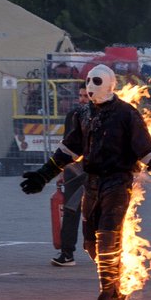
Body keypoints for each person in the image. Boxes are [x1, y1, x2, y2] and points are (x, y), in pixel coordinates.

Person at [20, 64, 151, 300]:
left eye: (95, 81)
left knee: (107, 240)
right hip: (91, 183)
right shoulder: (84, 114)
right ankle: (116, 283)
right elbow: (68, 149)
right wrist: (42, 175)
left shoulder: (126, 114)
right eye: (88, 82)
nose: (89, 87)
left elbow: (146, 148)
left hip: (118, 183)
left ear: (108, 84)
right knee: (91, 245)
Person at [52, 86, 90, 267]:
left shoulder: (109, 116)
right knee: (70, 210)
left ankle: (105, 253)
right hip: (75, 171)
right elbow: (66, 146)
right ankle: (67, 254)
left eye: (87, 96)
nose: (83, 99)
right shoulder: (73, 116)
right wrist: (62, 170)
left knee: (99, 212)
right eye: (81, 95)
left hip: (98, 171)